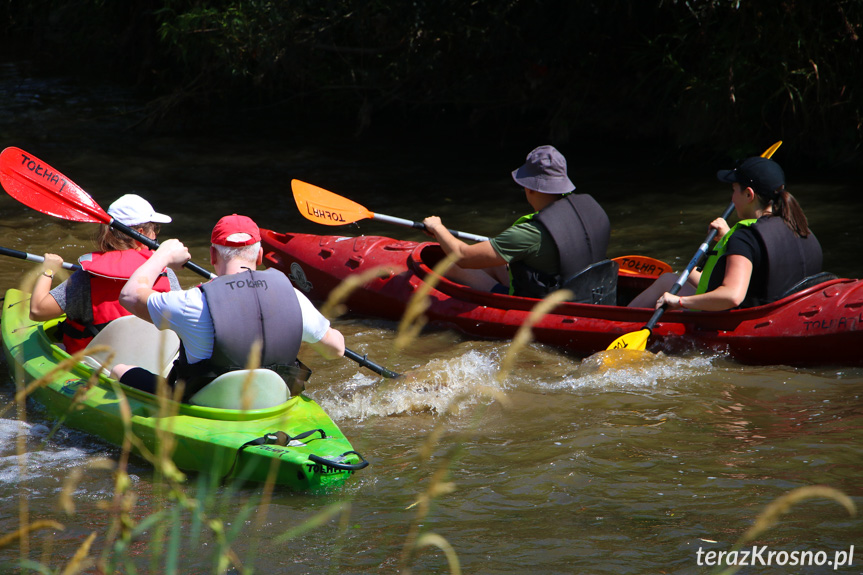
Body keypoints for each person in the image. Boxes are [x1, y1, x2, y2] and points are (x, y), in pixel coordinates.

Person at [112, 214, 346, 400]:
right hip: (272, 402)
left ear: (213, 255)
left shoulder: (193, 301)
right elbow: (336, 350)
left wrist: (161, 255)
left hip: (208, 405)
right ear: (260, 255)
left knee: (119, 370)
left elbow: (130, 295)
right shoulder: (293, 297)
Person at [422, 145, 610, 298]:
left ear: (529, 187)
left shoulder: (530, 233)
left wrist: (438, 227)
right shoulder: (591, 212)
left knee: (449, 264)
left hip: (543, 305)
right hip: (586, 293)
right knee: (494, 255)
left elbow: (463, 257)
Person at [645, 156, 822, 312]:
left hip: (742, 320)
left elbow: (732, 296)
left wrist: (679, 301)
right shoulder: (802, 229)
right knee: (688, 272)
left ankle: (622, 320)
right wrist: (728, 239)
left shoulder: (745, 237)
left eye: (734, 190)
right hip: (784, 311)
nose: (732, 198)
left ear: (748, 194)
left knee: (666, 281)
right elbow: (766, 260)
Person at [29, 193, 180, 353]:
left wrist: (49, 270)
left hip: (97, 364)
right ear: (140, 235)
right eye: (154, 229)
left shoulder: (87, 277)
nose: (155, 235)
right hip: (151, 362)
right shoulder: (166, 273)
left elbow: (37, 311)